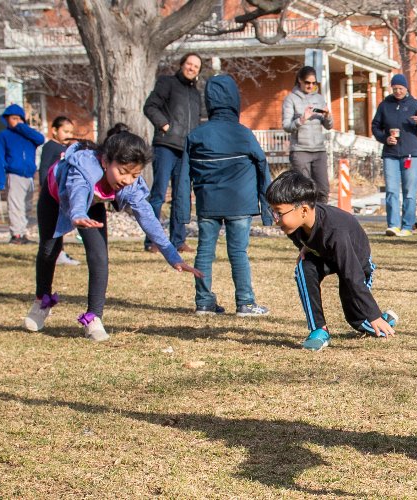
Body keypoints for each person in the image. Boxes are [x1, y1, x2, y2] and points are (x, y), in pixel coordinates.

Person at [24, 124, 203, 341]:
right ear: (105, 161)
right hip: (56, 198)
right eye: (123, 172)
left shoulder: (130, 184)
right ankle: (42, 300)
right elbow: (78, 192)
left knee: (99, 256)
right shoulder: (84, 168)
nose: (127, 180)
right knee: (49, 250)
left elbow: (147, 218)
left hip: (92, 205)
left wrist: (172, 255)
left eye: (134, 174)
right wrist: (77, 213)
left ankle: (93, 317)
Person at [265, 171, 399, 351]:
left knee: (357, 320)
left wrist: (374, 315)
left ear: (303, 210)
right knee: (304, 268)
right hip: (325, 256)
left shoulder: (337, 231)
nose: (275, 220)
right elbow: (303, 238)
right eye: (272, 212)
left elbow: (352, 274)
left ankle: (384, 320)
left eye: (278, 213)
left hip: (355, 262)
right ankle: (318, 330)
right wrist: (304, 247)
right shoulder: (294, 225)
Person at [187, 75, 273, 317]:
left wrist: (183, 212)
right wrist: (268, 211)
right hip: (240, 202)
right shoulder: (242, 134)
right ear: (235, 100)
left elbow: (183, 173)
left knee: (204, 251)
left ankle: (203, 302)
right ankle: (245, 302)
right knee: (238, 253)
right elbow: (262, 166)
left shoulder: (196, 135)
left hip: (207, 202)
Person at [143, 52, 206, 253]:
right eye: (189, 64)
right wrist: (165, 126)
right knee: (158, 194)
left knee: (182, 197)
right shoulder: (167, 83)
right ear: (181, 65)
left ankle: (178, 241)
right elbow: (150, 106)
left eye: (196, 66)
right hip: (165, 146)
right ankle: (152, 241)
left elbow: (196, 120)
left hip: (186, 151)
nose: (192, 68)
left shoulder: (196, 94)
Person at [370, 73, 417, 237]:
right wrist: (385, 138)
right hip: (390, 154)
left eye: (401, 88)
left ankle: (407, 225)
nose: (398, 91)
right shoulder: (385, 105)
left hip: (411, 154)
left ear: (406, 88)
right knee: (391, 191)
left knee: (409, 192)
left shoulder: (415, 104)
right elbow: (375, 127)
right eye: (395, 88)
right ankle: (393, 225)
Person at [0, 104, 46, 244]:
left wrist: (22, 127)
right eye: (13, 118)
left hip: (29, 174)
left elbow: (40, 139)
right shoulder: (3, 136)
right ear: (7, 119)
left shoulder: (28, 135)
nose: (16, 121)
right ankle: (16, 235)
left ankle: (22, 233)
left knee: (27, 205)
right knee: (16, 205)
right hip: (14, 174)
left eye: (18, 118)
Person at [282, 66, 333, 197]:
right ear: (300, 80)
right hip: (300, 151)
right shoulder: (291, 98)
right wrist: (302, 119)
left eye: (313, 83)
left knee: (323, 190)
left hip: (319, 150)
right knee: (304, 191)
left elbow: (329, 126)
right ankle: (305, 217)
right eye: (307, 83)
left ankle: (320, 217)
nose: (310, 86)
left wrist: (328, 116)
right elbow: (286, 126)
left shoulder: (319, 99)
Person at [39, 116, 80, 266]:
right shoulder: (50, 147)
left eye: (71, 132)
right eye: (65, 131)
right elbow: (44, 168)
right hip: (51, 193)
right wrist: (45, 187)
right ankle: (55, 254)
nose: (69, 135)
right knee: (51, 229)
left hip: (62, 194)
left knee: (60, 225)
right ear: (54, 130)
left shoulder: (67, 149)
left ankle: (59, 253)